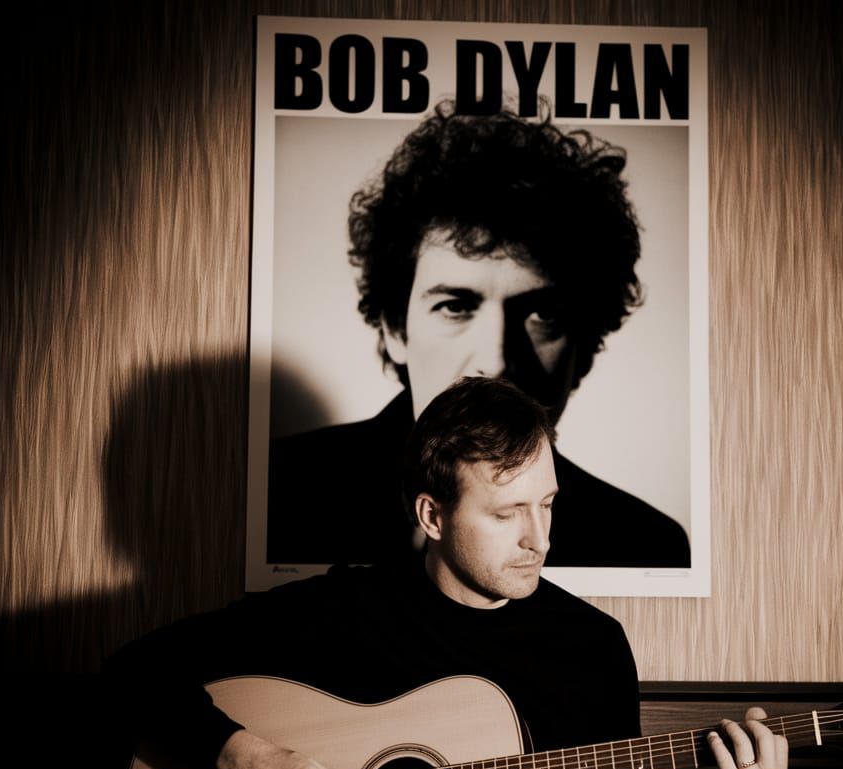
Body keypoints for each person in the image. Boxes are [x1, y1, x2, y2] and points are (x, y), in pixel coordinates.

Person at [113, 377, 815, 769]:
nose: (539, 538)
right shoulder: (344, 611)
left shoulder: (591, 645)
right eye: (508, 513)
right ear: (433, 515)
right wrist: (249, 759)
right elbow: (136, 669)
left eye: (547, 504)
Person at [266, 101, 691, 569]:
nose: (496, 361)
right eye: (455, 306)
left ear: (585, 347)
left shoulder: (641, 547)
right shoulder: (274, 492)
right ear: (394, 329)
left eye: (542, 313)